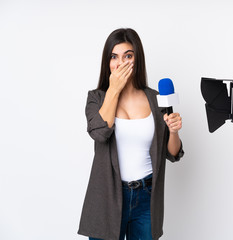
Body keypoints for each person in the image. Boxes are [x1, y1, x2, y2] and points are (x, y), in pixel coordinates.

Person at [78, 28, 184, 240]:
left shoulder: (155, 99)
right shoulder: (97, 99)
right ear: (107, 62)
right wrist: (114, 90)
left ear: (137, 59)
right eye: (114, 57)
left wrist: (174, 132)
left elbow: (172, 153)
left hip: (146, 197)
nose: (121, 63)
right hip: (107, 196)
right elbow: (100, 132)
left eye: (128, 55)